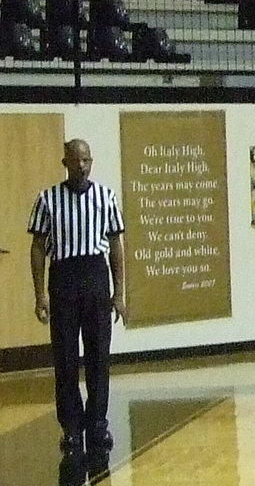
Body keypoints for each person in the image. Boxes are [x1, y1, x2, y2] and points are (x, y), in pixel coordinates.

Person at [29, 139, 127, 455]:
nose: (81, 166)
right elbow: (38, 248)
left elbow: (115, 246)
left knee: (99, 355)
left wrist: (119, 293)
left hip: (96, 277)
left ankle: (98, 424)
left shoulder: (105, 197)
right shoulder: (47, 199)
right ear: (65, 162)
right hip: (64, 279)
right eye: (75, 160)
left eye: (86, 160)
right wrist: (39, 294)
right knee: (66, 358)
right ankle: (71, 427)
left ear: (91, 161)